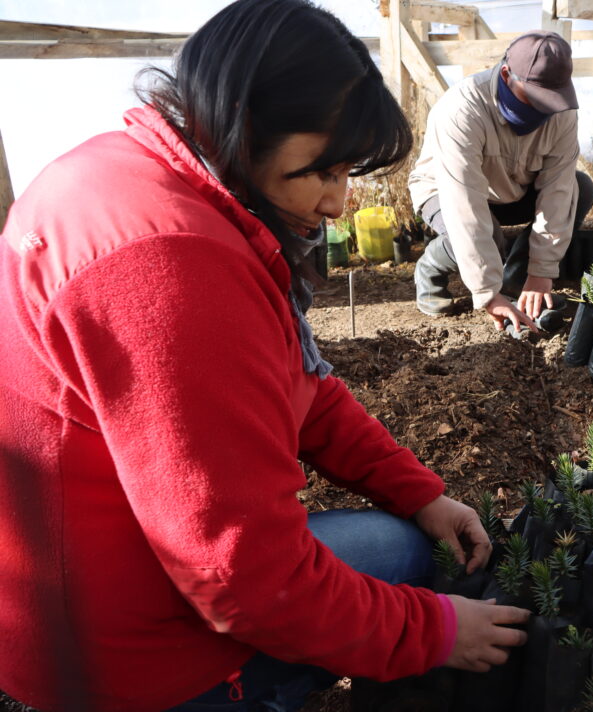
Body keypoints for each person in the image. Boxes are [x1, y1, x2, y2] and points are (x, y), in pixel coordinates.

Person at [0, 2, 528, 710]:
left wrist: (421, 492)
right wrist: (432, 633)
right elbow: (241, 576)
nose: (340, 203)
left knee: (401, 536)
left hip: (96, 583)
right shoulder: (171, 266)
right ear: (245, 125)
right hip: (120, 660)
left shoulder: (146, 175)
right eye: (323, 172)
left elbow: (297, 388)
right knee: (403, 564)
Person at [409, 30, 593, 332]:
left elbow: (558, 191)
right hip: (445, 191)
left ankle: (518, 281)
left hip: (513, 189)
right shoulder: (463, 109)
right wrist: (487, 293)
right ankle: (431, 268)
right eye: (536, 98)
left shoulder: (562, 115)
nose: (544, 109)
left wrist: (541, 273)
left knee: (580, 188)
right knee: (486, 240)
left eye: (551, 100)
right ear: (508, 74)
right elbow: (464, 204)